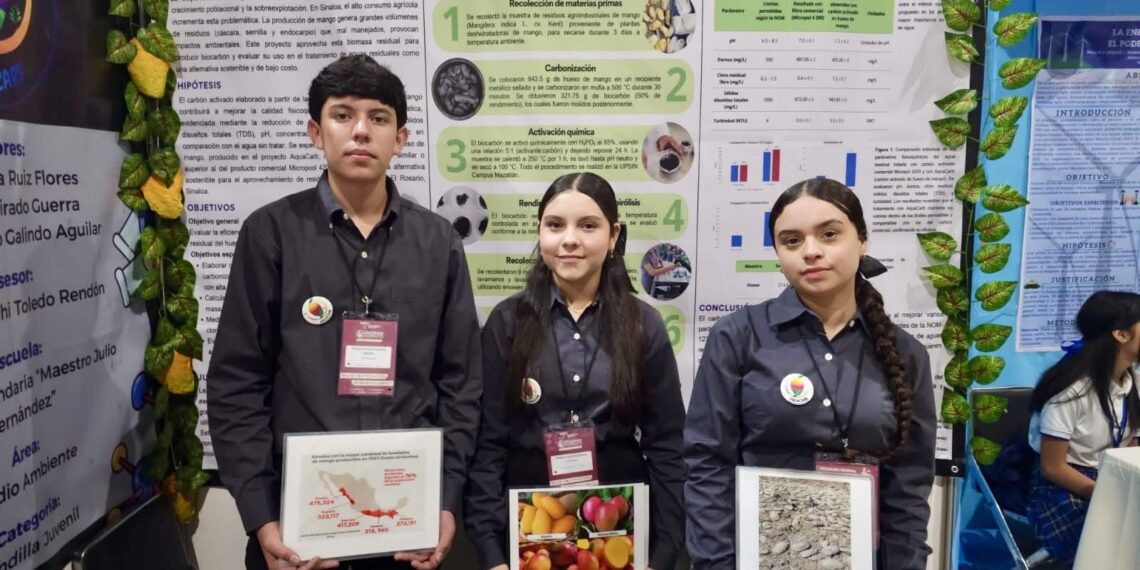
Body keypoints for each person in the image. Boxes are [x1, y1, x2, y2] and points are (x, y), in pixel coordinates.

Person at [207, 54, 481, 570]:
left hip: (407, 525)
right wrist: (263, 518)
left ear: (399, 138)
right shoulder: (270, 234)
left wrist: (446, 502)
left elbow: (461, 383)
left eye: (379, 118)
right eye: (342, 115)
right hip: (299, 526)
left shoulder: (438, 242)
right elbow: (236, 383)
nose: (361, 131)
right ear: (316, 132)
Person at [684, 178, 936, 569]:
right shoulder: (738, 337)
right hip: (758, 557)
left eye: (829, 234)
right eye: (792, 241)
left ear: (862, 240)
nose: (811, 252)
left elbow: (908, 487)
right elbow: (707, 465)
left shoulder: (905, 353)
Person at [465, 172, 686, 570]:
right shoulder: (507, 322)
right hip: (528, 525)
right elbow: (489, 445)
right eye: (555, 225)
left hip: (622, 524)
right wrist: (491, 552)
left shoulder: (643, 324)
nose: (569, 239)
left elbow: (668, 448)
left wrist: (665, 552)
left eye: (588, 226)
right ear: (539, 232)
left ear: (614, 235)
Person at [1027, 290, 1140, 565]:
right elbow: (1053, 468)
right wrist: (1106, 495)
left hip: (1114, 479)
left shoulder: (1133, 382)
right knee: (1117, 543)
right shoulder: (1070, 391)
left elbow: (1132, 449)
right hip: (1064, 489)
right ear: (1121, 334)